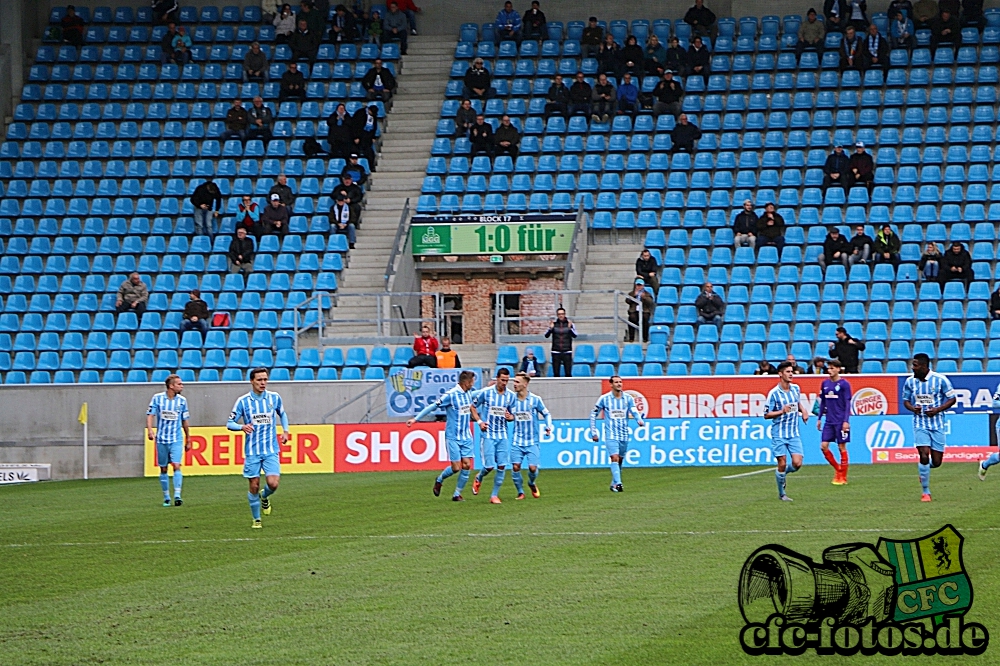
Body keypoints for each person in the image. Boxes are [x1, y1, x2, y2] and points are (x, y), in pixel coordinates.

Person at [227, 368, 290, 528]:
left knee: (273, 483)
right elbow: (230, 423)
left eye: (265, 380)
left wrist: (285, 431)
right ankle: (256, 519)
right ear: (252, 381)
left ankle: (265, 496)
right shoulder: (243, 401)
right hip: (252, 452)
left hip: (270, 450)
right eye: (259, 380)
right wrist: (241, 427)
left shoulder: (274, 398)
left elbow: (282, 414)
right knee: (253, 485)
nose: (263, 383)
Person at [406, 370, 482, 501]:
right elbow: (432, 406)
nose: (473, 384)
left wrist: (492, 387)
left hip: (466, 436)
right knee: (456, 467)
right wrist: (416, 419)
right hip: (452, 436)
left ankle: (457, 494)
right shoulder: (451, 395)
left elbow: (479, 393)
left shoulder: (468, 393)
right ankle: (440, 479)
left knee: (467, 465)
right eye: (472, 381)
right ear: (466, 382)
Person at [902, 354, 956, 502]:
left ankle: (923, 471)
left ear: (924, 366)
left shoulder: (940, 380)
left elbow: (952, 398)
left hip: (937, 424)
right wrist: (913, 409)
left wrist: (938, 410)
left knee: (937, 462)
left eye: (915, 365)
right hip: (920, 423)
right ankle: (926, 492)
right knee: (924, 454)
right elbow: (905, 400)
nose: (912, 368)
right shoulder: (910, 382)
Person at [590, 375, 645, 493]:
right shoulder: (604, 399)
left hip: (624, 434)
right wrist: (593, 432)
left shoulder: (628, 398)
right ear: (611, 384)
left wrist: (639, 420)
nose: (619, 384)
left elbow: (634, 410)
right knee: (614, 457)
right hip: (611, 434)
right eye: (616, 382)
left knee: (620, 460)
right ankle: (619, 484)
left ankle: (613, 484)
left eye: (620, 382)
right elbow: (593, 414)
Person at [764, 362, 810, 502]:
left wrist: (804, 411)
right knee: (782, 463)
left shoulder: (796, 388)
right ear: (780, 374)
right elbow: (766, 415)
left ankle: (782, 475)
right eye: (788, 371)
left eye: (792, 371)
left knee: (797, 463)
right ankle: (782, 493)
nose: (791, 374)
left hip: (793, 433)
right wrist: (781, 411)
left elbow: (797, 402)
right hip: (779, 433)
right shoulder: (773, 394)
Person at [470, 368, 516, 503]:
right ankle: (479, 477)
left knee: (502, 465)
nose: (504, 383)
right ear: (497, 379)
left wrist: (510, 417)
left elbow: (513, 415)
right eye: (502, 380)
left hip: (503, 435)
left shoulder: (511, 396)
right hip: (488, 434)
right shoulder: (486, 393)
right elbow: (472, 407)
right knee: (489, 466)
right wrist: (479, 422)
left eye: (507, 381)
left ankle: (494, 495)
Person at [507, 372, 553, 500]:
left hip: (532, 441)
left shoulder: (535, 400)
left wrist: (548, 426)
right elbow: (509, 416)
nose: (514, 384)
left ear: (525, 384)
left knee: (533, 468)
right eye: (514, 381)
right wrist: (510, 418)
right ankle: (520, 492)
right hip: (517, 440)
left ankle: (531, 483)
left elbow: (546, 414)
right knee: (516, 466)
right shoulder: (511, 400)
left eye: (517, 382)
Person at [146, 374, 190, 507]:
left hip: (176, 438)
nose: (182, 386)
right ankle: (166, 496)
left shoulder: (182, 401)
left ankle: (177, 495)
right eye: (179, 384)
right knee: (163, 468)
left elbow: (185, 421)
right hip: (161, 439)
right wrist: (150, 429)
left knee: (176, 465)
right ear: (171, 386)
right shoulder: (157, 398)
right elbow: (150, 414)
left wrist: (189, 438)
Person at [817, 359, 852, 485]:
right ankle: (838, 469)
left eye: (832, 368)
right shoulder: (825, 383)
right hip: (829, 421)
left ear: (838, 369)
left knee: (841, 447)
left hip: (841, 420)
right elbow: (823, 403)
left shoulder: (844, 384)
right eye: (829, 368)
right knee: (823, 446)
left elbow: (848, 403)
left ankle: (843, 477)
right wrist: (820, 418)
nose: (830, 371)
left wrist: (846, 421)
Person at [545, 308, 577, 377]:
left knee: (568, 373)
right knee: (556, 373)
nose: (561, 316)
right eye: (559, 314)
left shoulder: (570, 324)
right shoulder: (553, 324)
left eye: (562, 314)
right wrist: (551, 329)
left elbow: (575, 335)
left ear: (564, 314)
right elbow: (546, 336)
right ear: (557, 315)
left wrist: (570, 328)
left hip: (567, 351)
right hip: (556, 351)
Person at [626, 278, 654, 343]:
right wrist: (634, 295)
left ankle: (645, 337)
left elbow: (650, 303)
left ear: (643, 286)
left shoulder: (647, 294)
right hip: (634, 310)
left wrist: (644, 298)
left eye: (640, 285)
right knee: (631, 318)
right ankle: (631, 337)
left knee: (645, 318)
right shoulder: (631, 293)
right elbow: (627, 301)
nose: (639, 287)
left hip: (644, 310)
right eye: (638, 285)